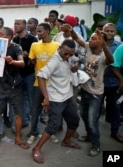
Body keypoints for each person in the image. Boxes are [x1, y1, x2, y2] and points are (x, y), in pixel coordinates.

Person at [32, 39, 80, 164]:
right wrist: (46, 97)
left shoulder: (68, 57)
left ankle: (66, 141)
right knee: (53, 125)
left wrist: (74, 68)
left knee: (74, 120)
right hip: (56, 98)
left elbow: (72, 65)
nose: (68, 56)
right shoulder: (54, 61)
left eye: (71, 54)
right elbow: (41, 76)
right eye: (66, 54)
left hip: (68, 96)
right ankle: (36, 149)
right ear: (60, 49)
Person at [70, 27, 114, 156]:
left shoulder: (104, 55)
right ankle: (89, 135)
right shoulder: (89, 47)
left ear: (101, 42)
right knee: (83, 115)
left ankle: (96, 145)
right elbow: (77, 39)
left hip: (96, 93)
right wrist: (71, 29)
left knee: (92, 120)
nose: (91, 40)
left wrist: (104, 44)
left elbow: (111, 61)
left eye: (95, 38)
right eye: (91, 38)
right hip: (85, 90)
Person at [0, 27, 29, 151]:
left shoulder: (16, 47)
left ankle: (17, 137)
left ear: (8, 37)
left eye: (1, 34)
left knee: (18, 113)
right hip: (0, 85)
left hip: (14, 85)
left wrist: (12, 61)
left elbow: (22, 63)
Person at [27, 23, 59, 145]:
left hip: (53, 84)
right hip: (38, 84)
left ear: (47, 31)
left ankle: (51, 132)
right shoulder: (34, 45)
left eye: (40, 31)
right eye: (37, 31)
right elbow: (31, 62)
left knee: (52, 111)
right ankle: (33, 132)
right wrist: (32, 61)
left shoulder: (57, 45)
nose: (38, 33)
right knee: (35, 110)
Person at [13, 18, 38, 128]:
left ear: (24, 25)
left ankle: (35, 126)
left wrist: (28, 55)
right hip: (18, 74)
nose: (15, 26)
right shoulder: (14, 40)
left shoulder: (33, 39)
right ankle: (24, 121)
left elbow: (37, 57)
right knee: (20, 99)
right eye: (15, 24)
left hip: (29, 74)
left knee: (32, 100)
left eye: (18, 24)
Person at [103, 23, 123, 143]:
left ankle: (114, 132)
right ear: (103, 31)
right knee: (95, 110)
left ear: (115, 33)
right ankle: (91, 134)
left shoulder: (119, 46)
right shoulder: (96, 44)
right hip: (98, 83)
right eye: (107, 31)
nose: (109, 33)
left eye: (111, 31)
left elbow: (116, 66)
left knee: (116, 108)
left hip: (114, 82)